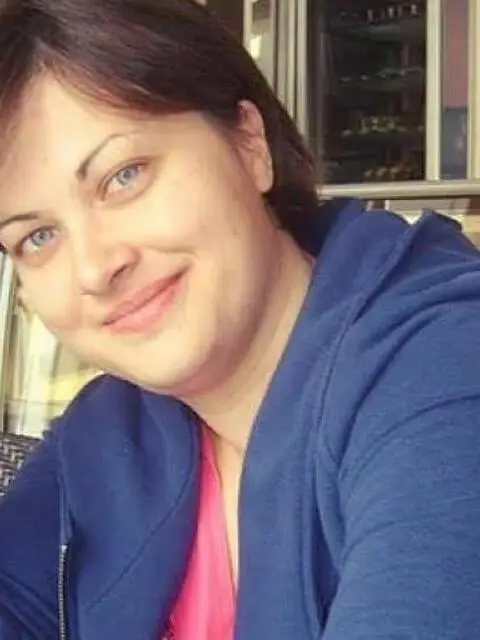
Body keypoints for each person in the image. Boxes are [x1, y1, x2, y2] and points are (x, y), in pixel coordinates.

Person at [0, 0, 480, 638]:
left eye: (124, 176)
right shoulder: (108, 432)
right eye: (36, 237)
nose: (94, 268)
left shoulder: (444, 368)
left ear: (249, 144)